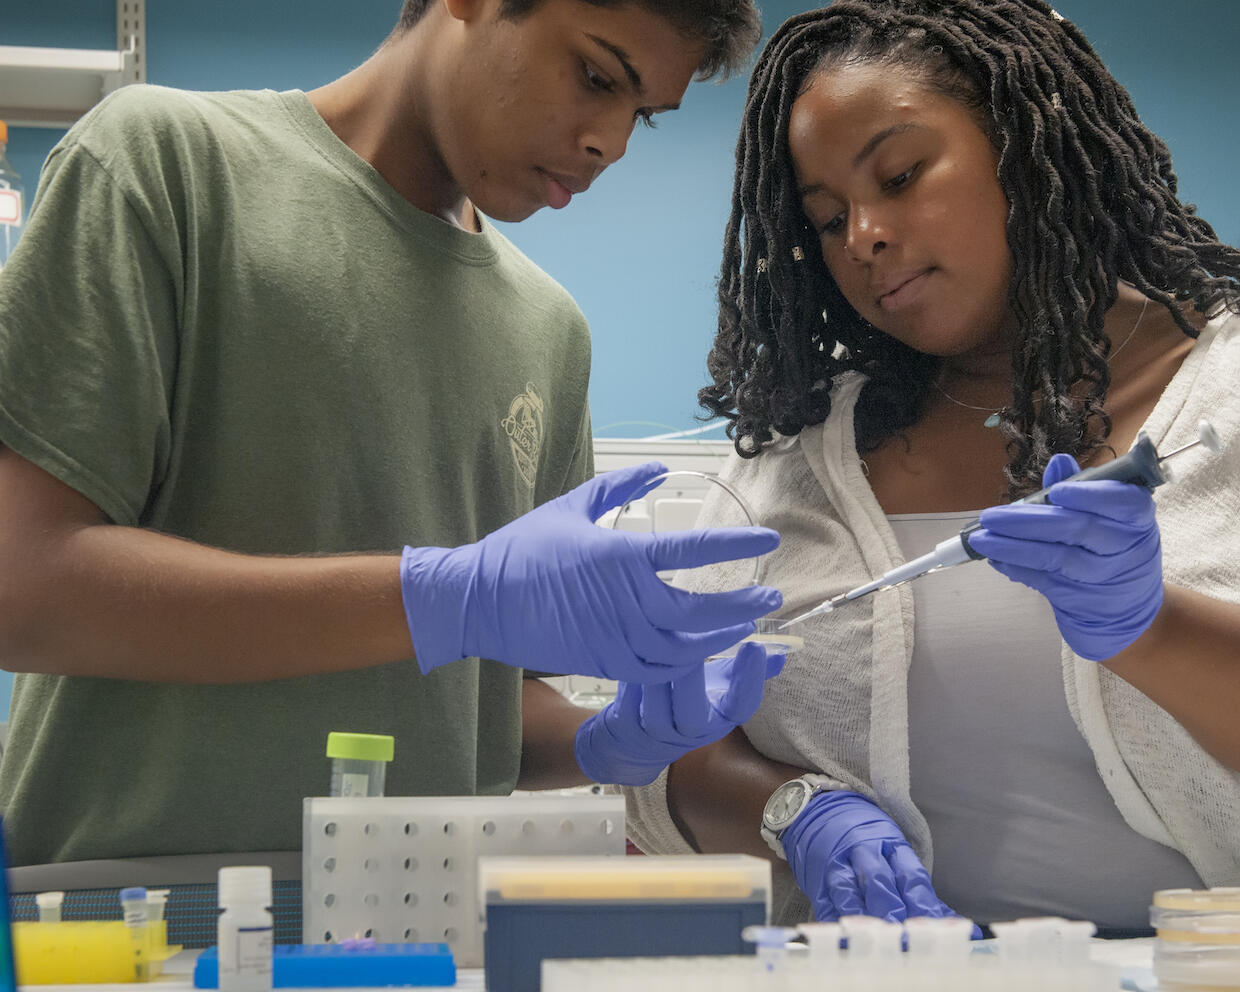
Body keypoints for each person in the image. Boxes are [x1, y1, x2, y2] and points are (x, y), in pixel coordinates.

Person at [0, 0, 785, 867]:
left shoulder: (550, 332)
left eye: (640, 114)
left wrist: (607, 740)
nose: (610, 143)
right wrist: (437, 597)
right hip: (122, 930)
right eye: (597, 77)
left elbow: (487, 705)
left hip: (422, 933)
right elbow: (21, 586)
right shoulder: (169, 169)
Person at [623, 0, 1240, 933]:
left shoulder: (1220, 391)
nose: (863, 235)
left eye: (901, 176)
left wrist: (1153, 627)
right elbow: (670, 748)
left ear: (1027, 145)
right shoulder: (802, 458)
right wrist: (795, 811)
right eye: (827, 221)